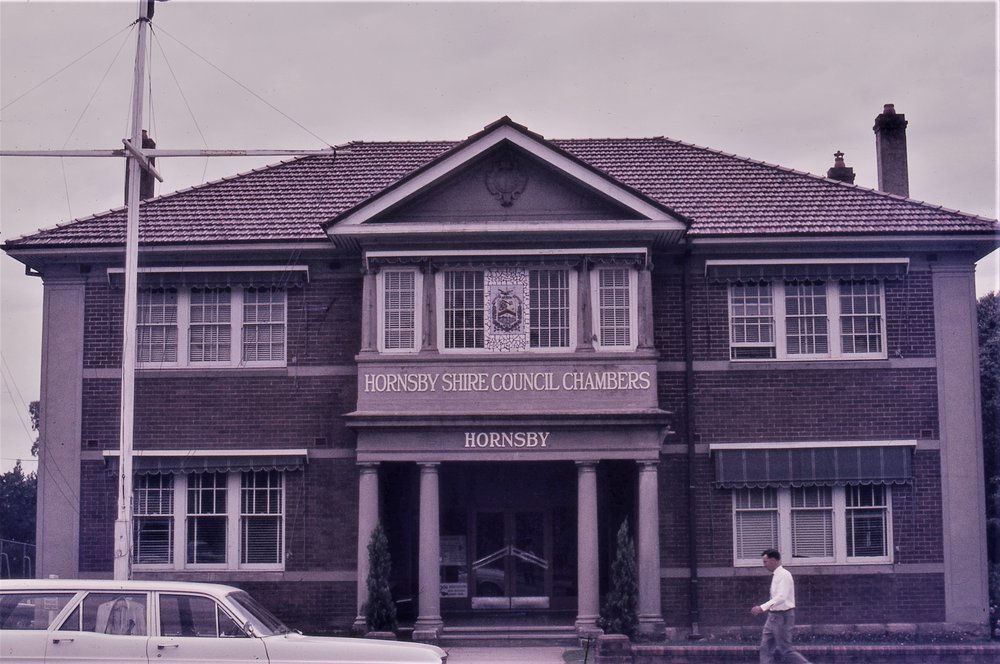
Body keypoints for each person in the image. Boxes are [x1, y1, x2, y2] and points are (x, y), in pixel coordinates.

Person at [750, 549, 812, 664]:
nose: (764, 565)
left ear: (773, 560)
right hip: (772, 616)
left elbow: (781, 597)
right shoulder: (776, 575)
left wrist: (762, 608)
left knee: (786, 650)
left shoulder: (784, 575)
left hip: (783, 617)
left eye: (765, 562)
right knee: (765, 648)